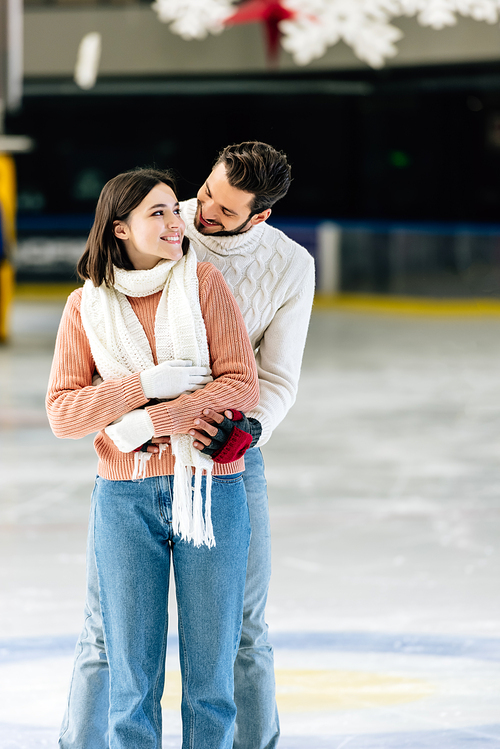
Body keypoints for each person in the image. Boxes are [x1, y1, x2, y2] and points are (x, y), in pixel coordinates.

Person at [57, 142, 315, 749]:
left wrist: (250, 431)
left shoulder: (289, 266)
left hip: (223, 455)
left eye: (224, 212)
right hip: (133, 467)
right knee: (105, 631)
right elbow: (95, 348)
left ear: (260, 218)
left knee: (241, 629)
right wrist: (138, 414)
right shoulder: (167, 227)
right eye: (206, 194)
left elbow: (268, 378)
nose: (201, 215)